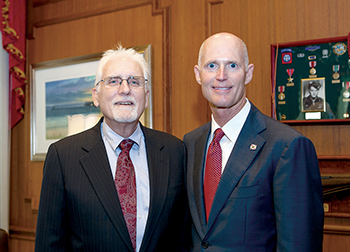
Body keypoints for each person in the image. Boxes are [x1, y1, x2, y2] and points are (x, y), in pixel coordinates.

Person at [35, 45, 191, 252]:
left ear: (145, 95)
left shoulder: (175, 151)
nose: (125, 89)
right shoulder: (63, 157)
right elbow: (49, 244)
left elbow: (182, 238)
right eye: (113, 81)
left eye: (134, 81)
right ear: (96, 96)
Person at [183, 32, 324, 251]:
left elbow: (299, 244)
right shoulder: (190, 143)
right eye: (211, 66)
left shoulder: (287, 146)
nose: (221, 75)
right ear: (198, 74)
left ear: (248, 73)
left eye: (232, 65)